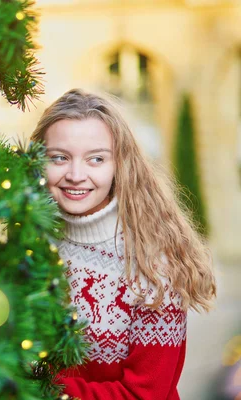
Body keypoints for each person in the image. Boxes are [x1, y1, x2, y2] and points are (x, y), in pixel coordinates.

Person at [30, 88, 217, 400]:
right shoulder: (27, 243)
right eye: (59, 158)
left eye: (96, 159)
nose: (76, 175)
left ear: (120, 165)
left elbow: (145, 395)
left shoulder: (152, 265)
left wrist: (36, 387)